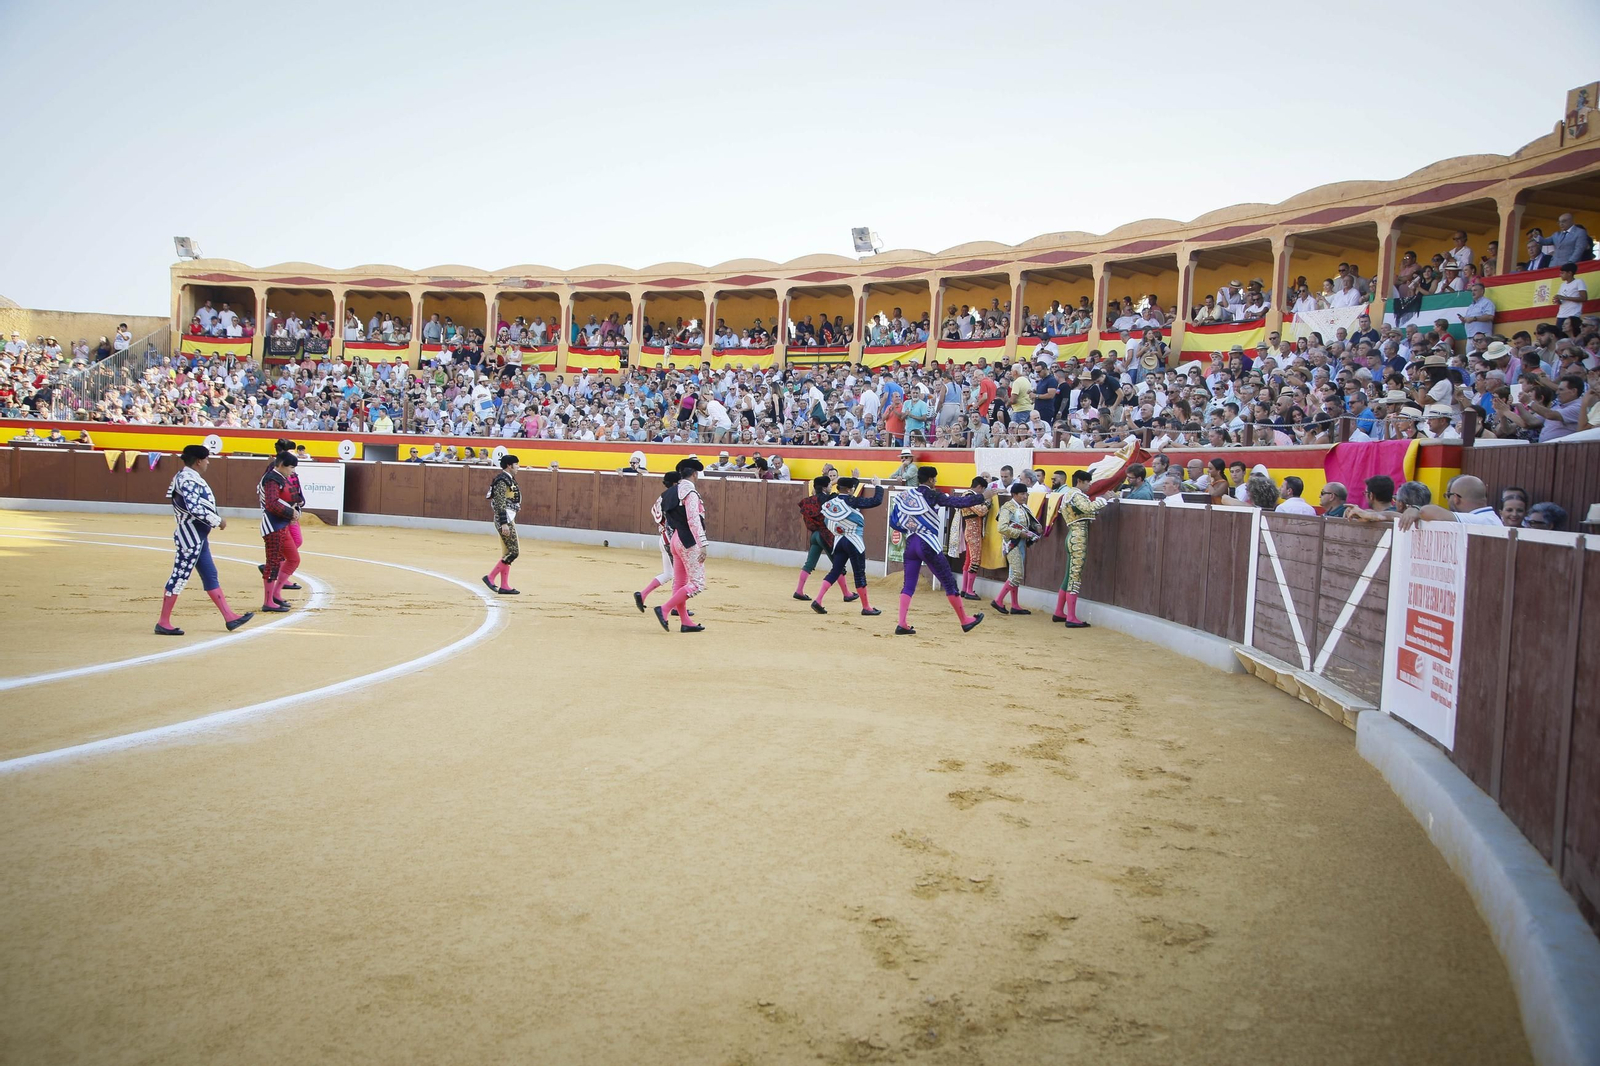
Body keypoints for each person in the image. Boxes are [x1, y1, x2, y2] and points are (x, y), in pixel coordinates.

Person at [155, 444, 253, 636]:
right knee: (179, 576)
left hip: (198, 536)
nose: (208, 462)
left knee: (210, 574)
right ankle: (163, 622)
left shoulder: (185, 477)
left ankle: (229, 616)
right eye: (207, 459)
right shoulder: (187, 480)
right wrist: (218, 520)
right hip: (190, 536)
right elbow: (194, 508)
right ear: (199, 461)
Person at [888, 467, 994, 635]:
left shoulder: (904, 496)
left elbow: (893, 523)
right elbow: (958, 503)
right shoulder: (933, 495)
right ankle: (964, 620)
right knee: (948, 582)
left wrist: (911, 527)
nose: (935, 483)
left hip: (911, 543)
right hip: (928, 543)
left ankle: (902, 623)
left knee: (908, 585)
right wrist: (983, 497)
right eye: (934, 480)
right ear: (930, 480)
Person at [809, 477, 884, 617]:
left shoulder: (830, 502)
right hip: (854, 541)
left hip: (838, 541)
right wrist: (878, 486)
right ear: (850, 490)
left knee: (835, 571)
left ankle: (818, 600)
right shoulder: (852, 500)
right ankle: (866, 607)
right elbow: (876, 501)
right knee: (859, 573)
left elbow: (827, 521)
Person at [1049, 469, 1113, 627]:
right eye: (1088, 482)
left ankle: (1059, 612)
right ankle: (1071, 617)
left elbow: (1087, 513)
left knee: (1068, 576)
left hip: (1072, 536)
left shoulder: (1068, 495)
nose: (1089, 485)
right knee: (1074, 577)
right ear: (1080, 482)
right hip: (1078, 538)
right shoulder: (1076, 495)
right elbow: (1089, 509)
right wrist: (1104, 499)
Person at [653, 457, 708, 633]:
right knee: (697, 583)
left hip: (674, 539)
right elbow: (693, 520)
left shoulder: (670, 492)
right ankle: (665, 608)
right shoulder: (690, 493)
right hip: (688, 540)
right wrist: (703, 543)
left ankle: (686, 621)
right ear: (694, 474)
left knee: (680, 582)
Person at [794, 474, 855, 605]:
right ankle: (847, 594)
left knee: (809, 564)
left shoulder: (808, 501)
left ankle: (799, 590)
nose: (830, 487)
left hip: (814, 535)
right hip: (825, 535)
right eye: (829, 485)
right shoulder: (830, 499)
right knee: (838, 565)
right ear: (824, 487)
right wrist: (854, 479)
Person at [257, 451, 301, 612]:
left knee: (293, 558)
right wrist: (291, 513)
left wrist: (294, 511)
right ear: (281, 465)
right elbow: (272, 504)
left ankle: (275, 594)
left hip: (282, 524)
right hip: (272, 526)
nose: (292, 471)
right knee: (273, 563)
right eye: (291, 467)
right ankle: (268, 602)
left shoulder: (280, 478)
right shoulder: (271, 479)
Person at [991, 483, 1042, 616]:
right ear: (1014, 495)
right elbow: (1001, 528)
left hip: (1020, 544)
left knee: (1014, 574)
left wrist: (1036, 526)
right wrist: (1020, 534)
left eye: (1026, 494)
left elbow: (1028, 522)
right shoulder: (1007, 507)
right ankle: (998, 600)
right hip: (1011, 544)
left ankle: (1015, 605)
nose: (1025, 496)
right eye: (1022, 494)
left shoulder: (1023, 507)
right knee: (1017, 574)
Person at [1396, 474, 1500, 529]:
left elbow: (1432, 512)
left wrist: (1417, 509)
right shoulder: (1487, 518)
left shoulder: (1480, 520)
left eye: (1448, 495)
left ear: (1456, 498)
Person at [482, 454, 522, 595]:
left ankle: (504, 585)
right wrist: (504, 523)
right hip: (504, 519)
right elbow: (499, 503)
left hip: (508, 518)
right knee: (513, 552)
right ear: (509, 466)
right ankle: (490, 577)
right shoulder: (502, 480)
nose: (518, 467)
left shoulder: (508, 479)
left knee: (507, 552)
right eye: (516, 464)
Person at [951, 476, 991, 600]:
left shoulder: (967, 495)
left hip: (971, 530)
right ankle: (969, 590)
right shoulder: (969, 496)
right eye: (983, 490)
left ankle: (964, 589)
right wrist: (988, 503)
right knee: (975, 561)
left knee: (968, 560)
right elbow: (981, 511)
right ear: (980, 487)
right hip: (973, 532)